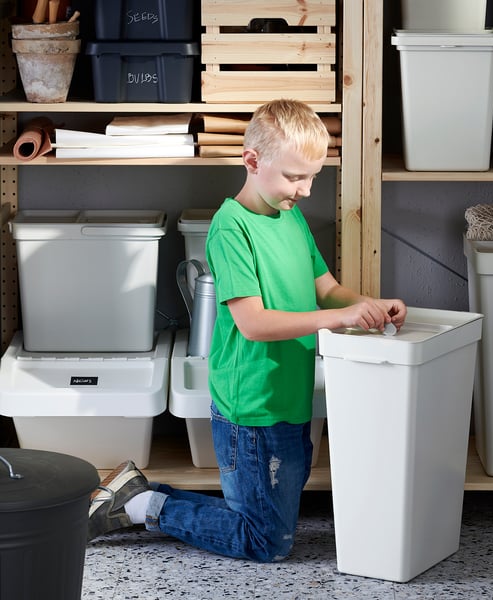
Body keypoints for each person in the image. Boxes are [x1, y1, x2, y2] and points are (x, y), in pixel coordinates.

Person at [88, 99, 407, 562]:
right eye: (295, 177)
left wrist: (368, 306)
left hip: (288, 394)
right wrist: (339, 320)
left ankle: (137, 491)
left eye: (312, 176)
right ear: (253, 161)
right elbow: (253, 324)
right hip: (251, 405)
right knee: (266, 543)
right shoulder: (230, 228)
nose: (306, 190)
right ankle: (140, 504)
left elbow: (329, 290)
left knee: (264, 518)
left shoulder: (290, 216)